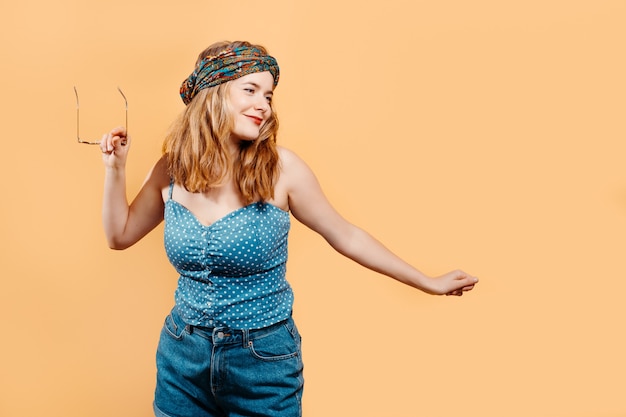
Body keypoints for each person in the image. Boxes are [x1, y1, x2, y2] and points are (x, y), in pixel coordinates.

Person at [99, 40, 478, 417]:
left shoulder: (282, 170)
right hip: (181, 359)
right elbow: (120, 235)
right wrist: (115, 170)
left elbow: (346, 235)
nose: (263, 105)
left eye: (268, 95)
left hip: (262, 362)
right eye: (250, 90)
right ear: (212, 93)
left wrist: (428, 281)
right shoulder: (173, 169)